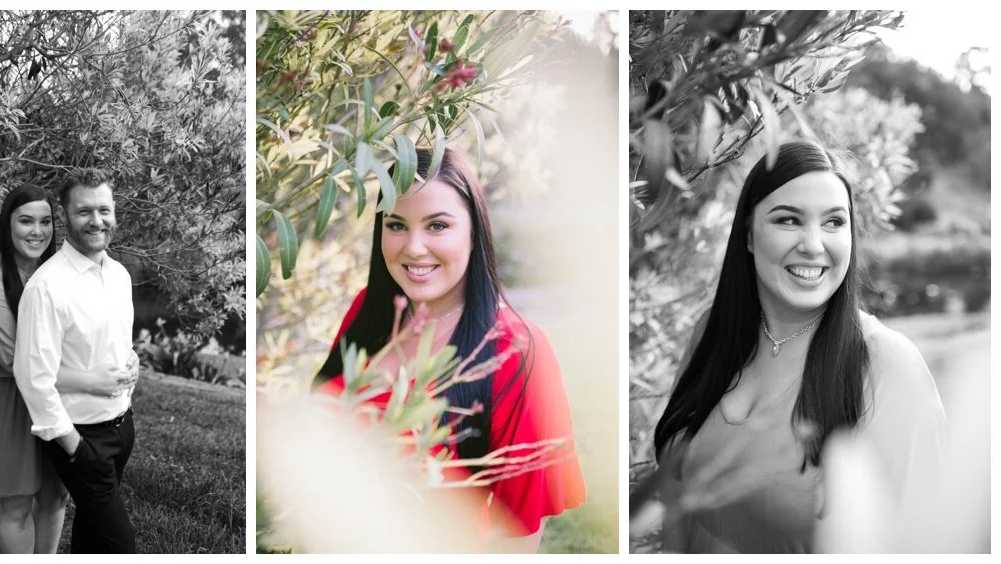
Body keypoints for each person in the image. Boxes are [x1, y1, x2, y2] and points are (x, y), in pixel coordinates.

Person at [652, 141, 945, 553]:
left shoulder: (887, 364)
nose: (813, 244)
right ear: (749, 235)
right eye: (789, 220)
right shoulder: (713, 333)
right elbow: (676, 512)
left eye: (833, 222)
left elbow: (925, 545)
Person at [312, 149, 586, 550]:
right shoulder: (369, 309)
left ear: (474, 231)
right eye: (397, 225)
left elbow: (517, 538)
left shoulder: (516, 351)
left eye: (437, 226)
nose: (414, 248)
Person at [0, 185, 133, 553]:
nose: (37, 231)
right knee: (19, 503)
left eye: (44, 222)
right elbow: (17, 363)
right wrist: (92, 380)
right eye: (25, 221)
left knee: (55, 497)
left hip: (52, 402)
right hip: (6, 402)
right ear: (6, 226)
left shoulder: (54, 274)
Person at [13, 171, 141, 553]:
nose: (97, 220)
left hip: (122, 424)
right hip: (80, 435)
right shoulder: (46, 287)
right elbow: (32, 377)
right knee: (120, 545)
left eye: (104, 209)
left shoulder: (119, 275)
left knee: (92, 537)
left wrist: (131, 359)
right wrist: (74, 447)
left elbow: (114, 341)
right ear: (64, 216)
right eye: (84, 211)